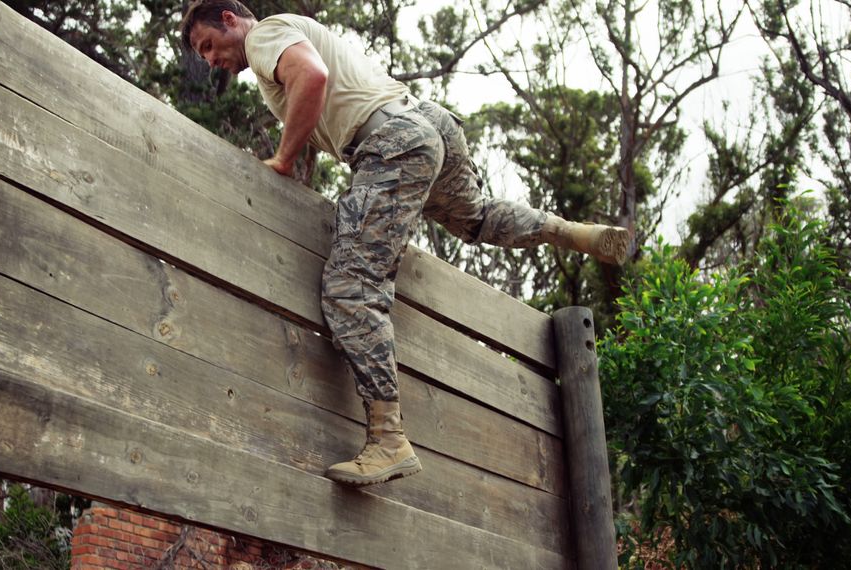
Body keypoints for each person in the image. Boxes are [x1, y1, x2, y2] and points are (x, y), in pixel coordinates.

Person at [180, 0, 631, 487]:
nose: (210, 60)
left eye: (207, 45)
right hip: (427, 124)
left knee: (351, 286)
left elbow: (310, 76)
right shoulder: (293, 32)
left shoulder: (263, 35)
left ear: (230, 19)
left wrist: (284, 160)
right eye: (202, 55)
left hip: (392, 139)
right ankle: (572, 232)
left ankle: (388, 437)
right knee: (476, 217)